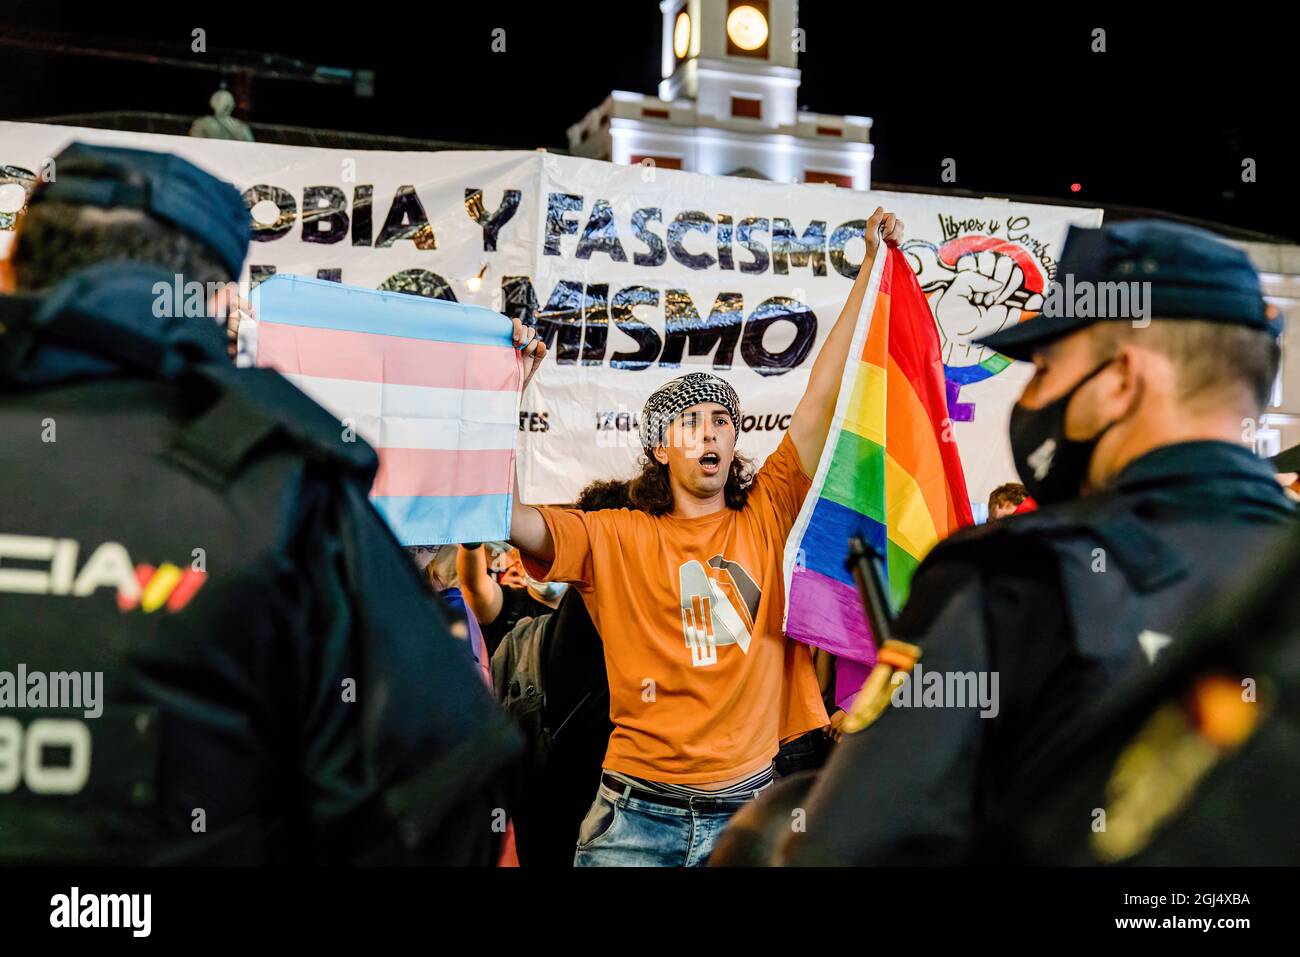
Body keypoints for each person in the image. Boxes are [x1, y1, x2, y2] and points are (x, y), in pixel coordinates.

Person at [0, 142, 521, 865]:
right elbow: (442, 800)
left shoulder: (289, 484)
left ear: (9, 272)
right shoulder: (290, 491)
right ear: (219, 304)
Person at [779, 220, 1297, 865]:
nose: (1032, 396)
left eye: (1046, 366)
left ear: (1121, 380)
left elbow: (846, 848)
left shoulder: (1014, 576)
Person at [507, 208, 907, 866]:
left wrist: (869, 268)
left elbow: (821, 396)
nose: (711, 431)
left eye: (722, 419)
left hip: (750, 812)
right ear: (662, 448)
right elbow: (506, 514)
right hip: (634, 820)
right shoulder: (613, 536)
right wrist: (507, 393)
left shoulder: (769, 507)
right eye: (691, 421)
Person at [458, 543, 563, 658]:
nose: (549, 568)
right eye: (538, 561)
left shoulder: (580, 607)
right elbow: (474, 586)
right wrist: (472, 544)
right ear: (519, 567)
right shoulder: (508, 602)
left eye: (556, 560)